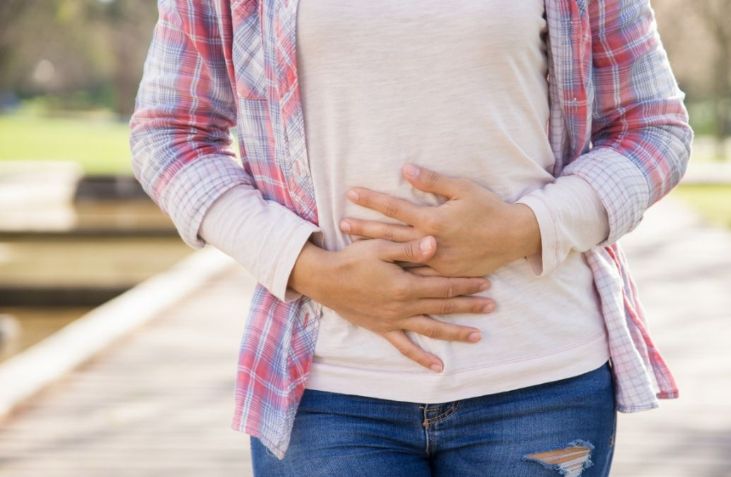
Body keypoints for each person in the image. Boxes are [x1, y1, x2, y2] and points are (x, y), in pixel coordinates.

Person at [129, 0, 692, 475]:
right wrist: (306, 267)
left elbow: (653, 128)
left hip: (541, 381)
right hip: (326, 387)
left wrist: (528, 228)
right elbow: (170, 136)